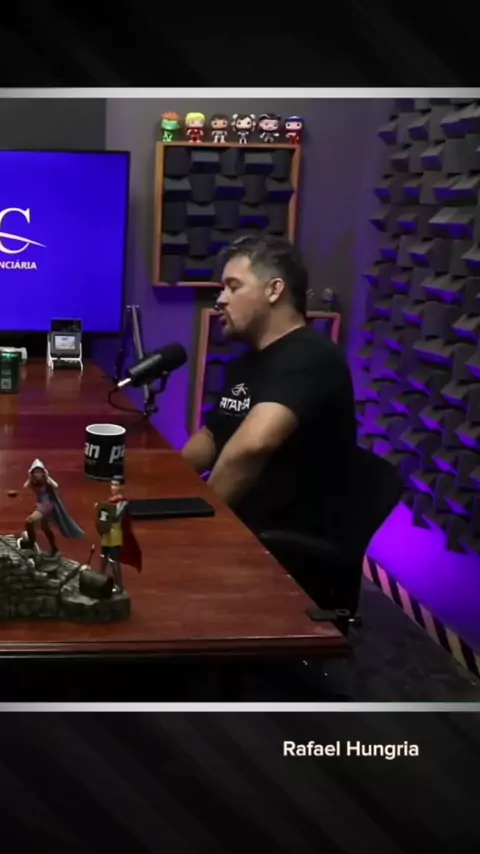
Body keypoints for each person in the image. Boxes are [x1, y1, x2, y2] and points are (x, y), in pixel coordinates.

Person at [181, 235, 357, 546]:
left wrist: (197, 525)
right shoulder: (247, 362)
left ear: (274, 290)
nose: (220, 299)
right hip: (244, 524)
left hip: (282, 543)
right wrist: (166, 482)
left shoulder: (312, 356)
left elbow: (252, 447)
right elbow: (211, 435)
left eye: (233, 287)